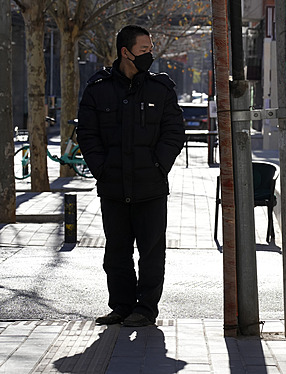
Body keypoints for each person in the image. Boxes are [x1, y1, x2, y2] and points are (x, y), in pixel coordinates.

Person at [77, 25, 185, 326]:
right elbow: (86, 133)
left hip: (150, 187)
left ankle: (145, 310)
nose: (149, 54)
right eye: (143, 49)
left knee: (151, 253)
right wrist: (102, 168)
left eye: (150, 48)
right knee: (116, 254)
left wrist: (158, 166)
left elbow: (174, 132)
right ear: (125, 52)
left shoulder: (160, 89)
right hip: (112, 187)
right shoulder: (98, 88)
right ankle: (121, 307)